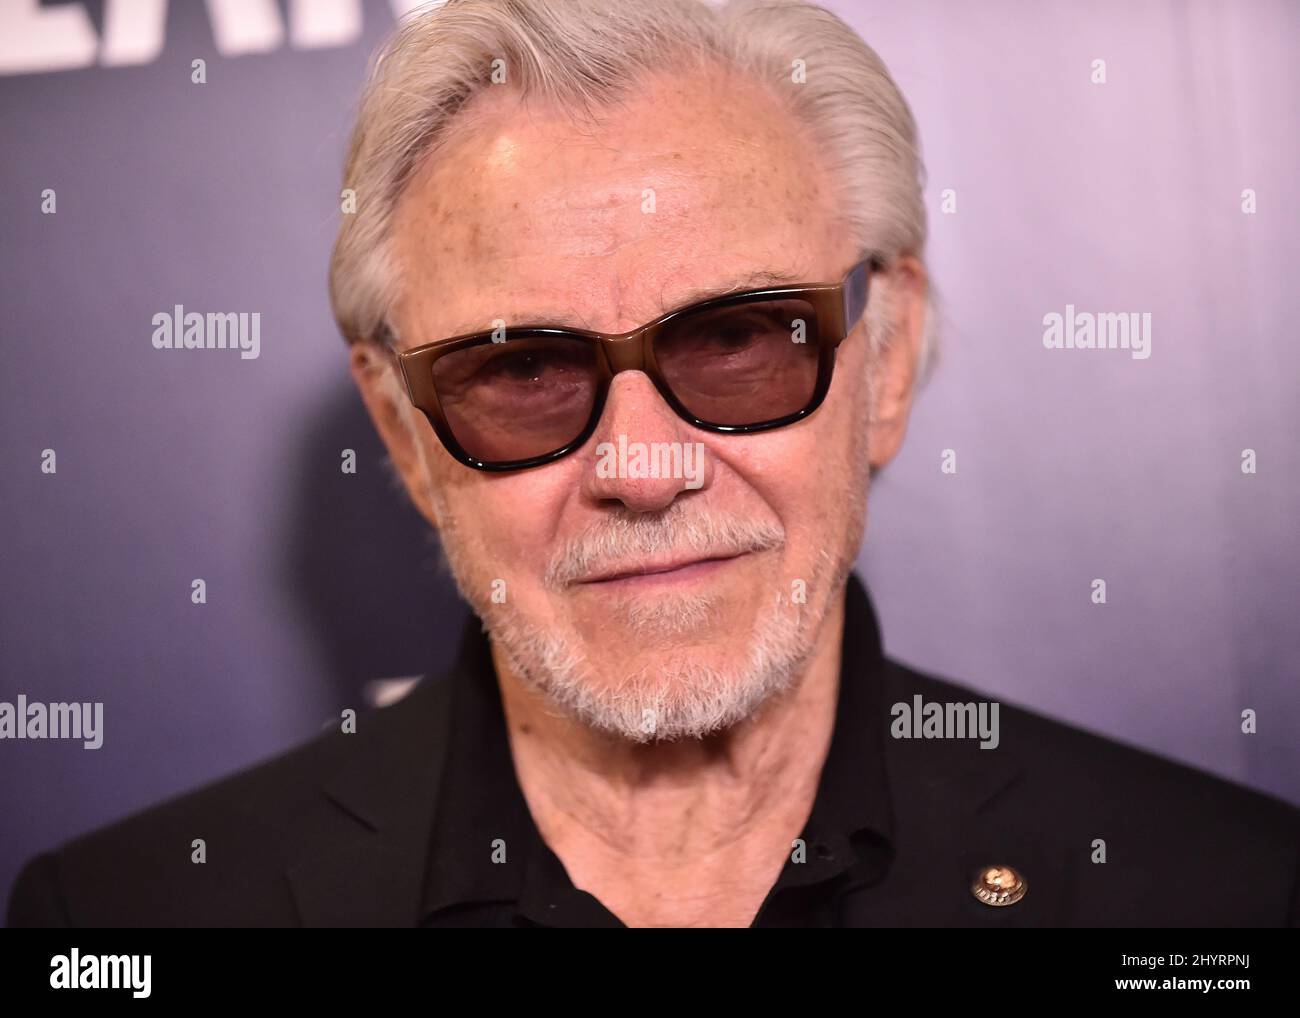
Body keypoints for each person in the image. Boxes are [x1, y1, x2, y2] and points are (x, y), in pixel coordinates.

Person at [8, 0, 1297, 928]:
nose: (640, 465)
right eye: (523, 373)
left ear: (887, 362)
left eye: (738, 342)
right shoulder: (126, 924)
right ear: (404, 434)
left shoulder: (1223, 895)